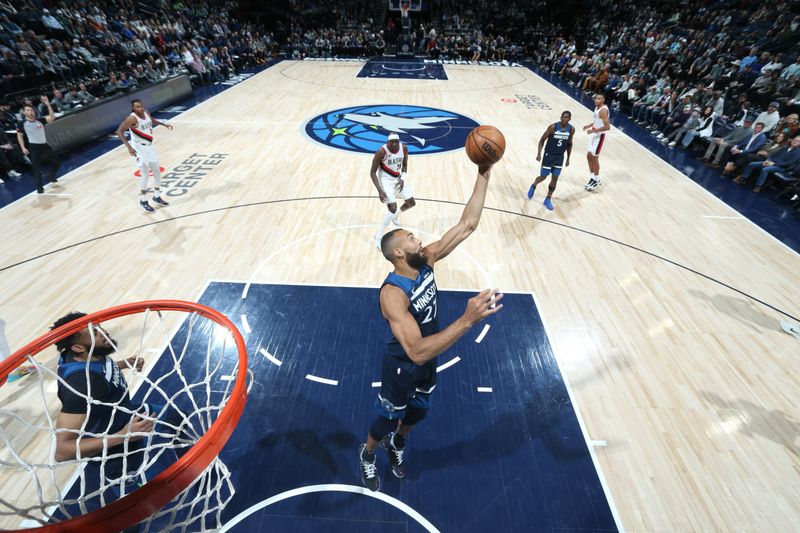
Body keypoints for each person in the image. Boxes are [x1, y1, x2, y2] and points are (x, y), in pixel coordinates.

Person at [359, 165, 503, 492]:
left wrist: (484, 172)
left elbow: (467, 225)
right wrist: (467, 319)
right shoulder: (392, 294)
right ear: (398, 252)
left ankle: (397, 444)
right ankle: (368, 453)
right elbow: (416, 351)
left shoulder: (426, 259)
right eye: (411, 237)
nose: (418, 238)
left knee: (418, 412)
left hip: (429, 356)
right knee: (386, 417)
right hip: (403, 364)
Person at [115, 99, 173, 212]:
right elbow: (119, 132)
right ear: (133, 109)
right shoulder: (131, 118)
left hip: (150, 146)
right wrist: (129, 147)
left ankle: (156, 197)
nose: (140, 108)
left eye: (141, 106)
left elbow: (150, 120)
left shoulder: (146, 113)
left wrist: (162, 124)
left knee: (157, 172)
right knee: (145, 175)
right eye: (137, 107)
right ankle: (143, 200)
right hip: (139, 148)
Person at [371, 132, 414, 249]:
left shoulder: (404, 148)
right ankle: (378, 235)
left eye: (396, 141)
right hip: (385, 182)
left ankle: (395, 216)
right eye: (392, 141)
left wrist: (403, 179)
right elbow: (372, 173)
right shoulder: (381, 152)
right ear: (387, 142)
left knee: (411, 203)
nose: (394, 143)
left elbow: (405, 165)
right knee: (392, 207)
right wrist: (380, 191)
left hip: (397, 180)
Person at [527, 111, 575, 210]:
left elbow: (569, 144)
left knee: (555, 178)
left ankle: (548, 199)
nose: (564, 119)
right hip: (549, 156)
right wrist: (539, 153)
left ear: (569, 119)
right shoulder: (553, 127)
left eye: (566, 117)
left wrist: (568, 158)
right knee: (543, 176)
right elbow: (542, 140)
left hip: (559, 157)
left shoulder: (571, 129)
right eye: (563, 117)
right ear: (560, 117)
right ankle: (534, 185)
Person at [16, 96, 60, 194]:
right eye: (27, 110)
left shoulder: (40, 120)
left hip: (44, 145)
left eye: (31, 110)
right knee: (37, 169)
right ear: (24, 112)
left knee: (56, 162)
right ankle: (39, 188)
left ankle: (51, 176)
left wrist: (48, 104)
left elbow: (52, 117)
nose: (30, 111)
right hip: (34, 147)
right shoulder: (22, 123)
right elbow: (19, 136)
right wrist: (23, 147)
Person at [583, 93, 610, 191]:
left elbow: (607, 127)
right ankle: (592, 178)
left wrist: (593, 130)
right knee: (589, 156)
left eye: (599, 99)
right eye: (595, 98)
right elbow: (597, 121)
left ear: (603, 100)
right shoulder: (597, 108)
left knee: (594, 158)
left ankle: (597, 180)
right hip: (594, 134)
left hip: (599, 136)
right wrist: (589, 125)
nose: (596, 100)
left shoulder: (603, 110)